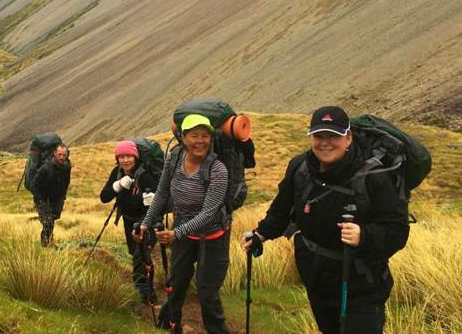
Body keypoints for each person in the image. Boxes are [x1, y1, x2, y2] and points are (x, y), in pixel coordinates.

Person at [243, 106, 409, 334]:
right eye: (319, 136)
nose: (325, 142)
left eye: (333, 136)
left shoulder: (374, 176)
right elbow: (281, 210)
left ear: (348, 138)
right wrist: (261, 234)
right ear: (311, 136)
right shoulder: (299, 168)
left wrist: (364, 236)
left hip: (361, 287)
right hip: (317, 280)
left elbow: (397, 230)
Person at [136, 114, 230, 334]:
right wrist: (145, 223)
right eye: (194, 135)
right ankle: (168, 326)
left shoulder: (218, 169)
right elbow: (162, 192)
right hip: (184, 234)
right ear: (183, 137)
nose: (200, 141)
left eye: (205, 135)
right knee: (176, 284)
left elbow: (209, 213)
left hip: (213, 237)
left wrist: (176, 234)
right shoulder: (175, 158)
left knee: (207, 292)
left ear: (211, 138)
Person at [99, 140, 159, 304]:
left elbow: (158, 202)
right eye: (122, 157)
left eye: (129, 156)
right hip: (128, 221)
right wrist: (117, 186)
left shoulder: (145, 175)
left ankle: (145, 295)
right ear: (117, 159)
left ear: (136, 157)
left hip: (148, 222)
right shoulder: (117, 172)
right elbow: (104, 197)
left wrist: (149, 208)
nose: (126, 160)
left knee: (141, 258)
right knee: (138, 256)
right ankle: (146, 293)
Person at [31, 143, 71, 247]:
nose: (62, 157)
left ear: (67, 155)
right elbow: (33, 185)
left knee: (51, 222)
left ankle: (48, 243)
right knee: (47, 223)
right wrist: (40, 201)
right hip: (42, 199)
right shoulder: (46, 168)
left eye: (64, 155)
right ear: (54, 153)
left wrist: (63, 196)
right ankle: (45, 247)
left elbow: (67, 182)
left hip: (55, 199)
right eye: (59, 154)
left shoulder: (66, 167)